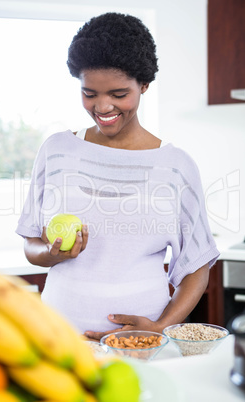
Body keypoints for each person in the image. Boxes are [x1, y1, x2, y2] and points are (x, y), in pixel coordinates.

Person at [16, 12, 220, 341]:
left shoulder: (175, 166)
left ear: (144, 84)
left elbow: (196, 267)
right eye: (90, 93)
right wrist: (51, 255)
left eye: (119, 94)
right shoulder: (56, 151)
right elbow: (31, 243)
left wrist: (161, 326)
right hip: (58, 337)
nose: (103, 107)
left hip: (140, 346)